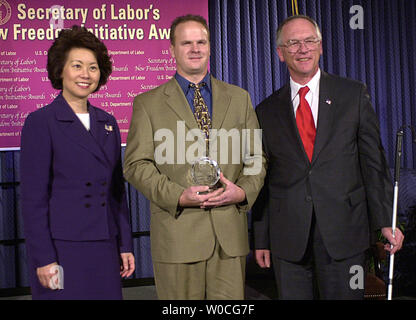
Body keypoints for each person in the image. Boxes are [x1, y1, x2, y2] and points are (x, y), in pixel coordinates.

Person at [253, 15, 404, 300]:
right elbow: (263, 179)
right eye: (293, 43)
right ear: (280, 53)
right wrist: (261, 237)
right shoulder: (266, 110)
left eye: (310, 41)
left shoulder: (353, 95)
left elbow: (373, 163)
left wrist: (386, 220)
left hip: (346, 234)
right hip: (289, 240)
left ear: (321, 47)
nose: (303, 49)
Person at [124, 14, 265, 300]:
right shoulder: (147, 103)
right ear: (172, 49)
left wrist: (242, 192)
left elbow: (256, 157)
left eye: (201, 42)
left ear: (210, 47)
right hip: (178, 237)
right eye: (186, 42)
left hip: (229, 238)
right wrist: (178, 196)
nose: (195, 48)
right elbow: (136, 165)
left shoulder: (240, 98)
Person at [20, 25, 135, 300]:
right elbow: (33, 200)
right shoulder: (41, 122)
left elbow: (117, 192)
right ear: (60, 70)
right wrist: (44, 258)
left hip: (105, 246)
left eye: (93, 67)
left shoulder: (108, 122)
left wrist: (125, 244)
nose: (86, 74)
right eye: (77, 65)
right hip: (62, 248)